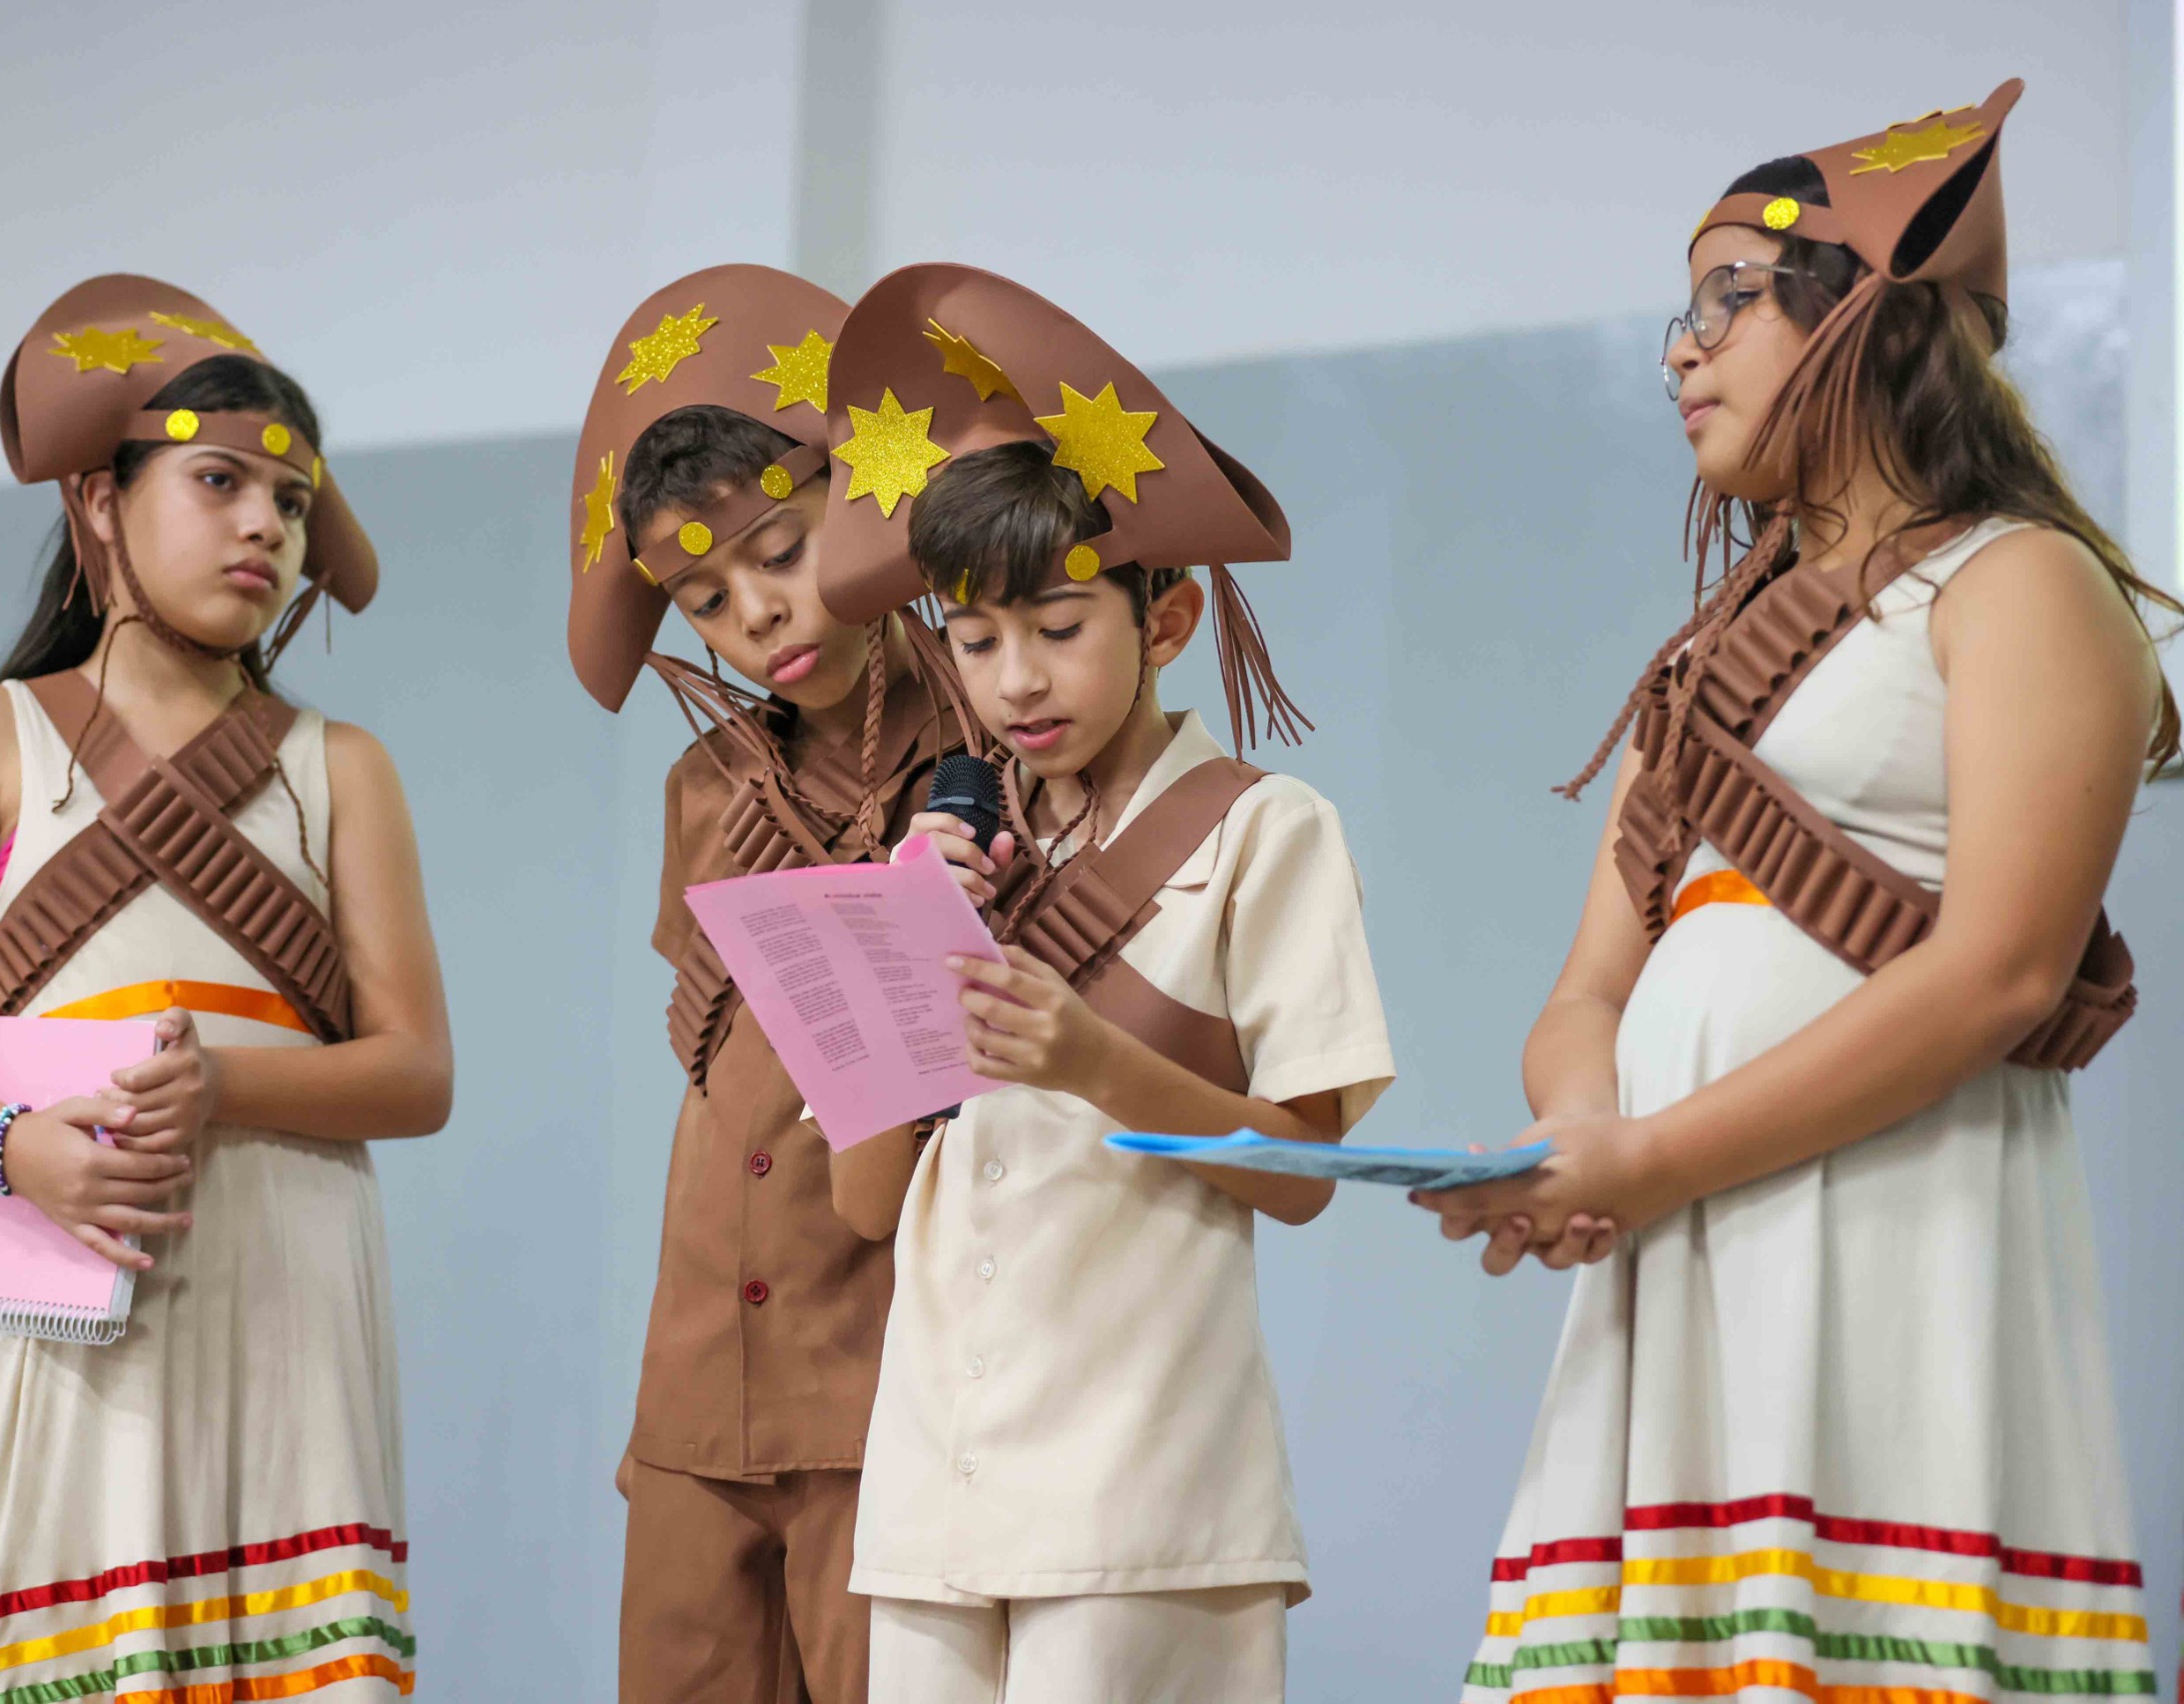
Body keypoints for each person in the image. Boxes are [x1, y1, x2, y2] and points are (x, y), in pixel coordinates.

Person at [1415, 83, 2170, 1702]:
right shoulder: (1699, 664)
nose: (1680, 354)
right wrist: (1578, 1137)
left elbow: (2000, 972)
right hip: (1671, 1228)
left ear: (1868, 318)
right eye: (1679, 317)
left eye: (1727, 301)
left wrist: (1649, 1156)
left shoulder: (2019, 582)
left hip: (1890, 1221)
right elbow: (1587, 990)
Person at [0, 277, 450, 1701]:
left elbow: (416, 1071)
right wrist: (19, 1150)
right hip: (38, 1284)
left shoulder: (340, 767)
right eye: (219, 481)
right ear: (100, 503)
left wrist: (225, 1083)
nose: (265, 526)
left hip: (275, 1293)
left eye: (291, 501)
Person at [815, 264, 1394, 1704]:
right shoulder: (942, 851)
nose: (1016, 679)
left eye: (1061, 626)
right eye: (976, 641)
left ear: (1168, 619)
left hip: (1144, 1487)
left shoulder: (1266, 828)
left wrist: (1092, 1064)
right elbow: (865, 1203)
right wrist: (907, 939)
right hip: (934, 1487)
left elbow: (1309, 1170)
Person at [569, 265, 975, 1704]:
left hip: (888, 1378)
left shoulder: (989, 741)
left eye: (784, 551)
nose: (753, 612)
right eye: (704, 597)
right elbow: (719, 1078)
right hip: (700, 1378)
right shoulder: (707, 787)